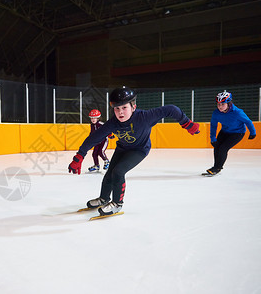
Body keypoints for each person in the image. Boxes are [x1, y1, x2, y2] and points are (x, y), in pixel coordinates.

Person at [68, 88, 200, 216]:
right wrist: (79, 157)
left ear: (133, 107)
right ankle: (103, 199)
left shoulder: (145, 117)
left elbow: (171, 109)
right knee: (109, 174)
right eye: (117, 108)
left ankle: (117, 204)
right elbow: (93, 138)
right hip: (122, 149)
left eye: (124, 107)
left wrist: (187, 123)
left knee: (118, 171)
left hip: (139, 150)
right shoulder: (113, 123)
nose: (120, 112)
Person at [205, 90, 256, 176]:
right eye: (218, 104)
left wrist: (252, 133)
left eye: (222, 104)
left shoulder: (238, 112)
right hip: (224, 131)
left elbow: (248, 121)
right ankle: (215, 167)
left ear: (228, 103)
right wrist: (213, 138)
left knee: (223, 148)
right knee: (216, 147)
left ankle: (218, 168)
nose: (220, 107)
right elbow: (213, 125)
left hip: (237, 133)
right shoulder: (216, 113)